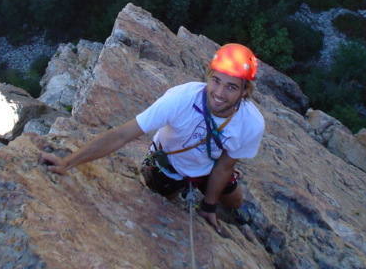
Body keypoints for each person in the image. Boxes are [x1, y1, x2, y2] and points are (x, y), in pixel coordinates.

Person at [40, 43, 265, 233]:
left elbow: (225, 166)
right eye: (216, 81)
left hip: (209, 167)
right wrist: (67, 163)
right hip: (168, 163)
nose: (219, 93)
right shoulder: (181, 99)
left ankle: (206, 199)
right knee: (160, 203)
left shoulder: (251, 123)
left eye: (231, 87)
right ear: (208, 76)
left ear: (245, 91)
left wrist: (209, 206)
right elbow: (122, 135)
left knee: (235, 202)